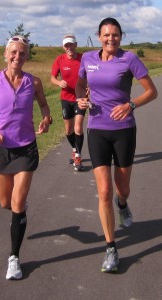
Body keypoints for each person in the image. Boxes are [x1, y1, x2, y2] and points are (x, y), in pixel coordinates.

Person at [76, 17, 158, 272]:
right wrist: (80, 99)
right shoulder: (88, 59)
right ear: (99, 36)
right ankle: (111, 248)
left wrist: (130, 104)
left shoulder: (129, 59)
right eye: (106, 35)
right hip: (97, 129)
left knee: (122, 188)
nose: (111, 39)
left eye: (115, 35)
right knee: (104, 192)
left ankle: (123, 205)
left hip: (123, 131)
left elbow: (151, 91)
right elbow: (80, 83)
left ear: (121, 36)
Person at [0, 35, 52, 280]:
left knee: (17, 205)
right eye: (13, 52)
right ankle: (18, 208)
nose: (17, 57)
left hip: (26, 148)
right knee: (5, 203)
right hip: (1, 149)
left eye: (22, 53)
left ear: (27, 56)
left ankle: (14, 258)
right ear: (5, 54)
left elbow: (43, 105)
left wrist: (46, 118)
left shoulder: (35, 82)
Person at [51, 34, 86, 171]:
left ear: (76, 45)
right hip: (66, 98)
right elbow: (52, 78)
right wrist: (59, 82)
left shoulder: (83, 58)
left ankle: (78, 156)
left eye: (71, 45)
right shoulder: (59, 59)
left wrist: (89, 87)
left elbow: (91, 74)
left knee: (78, 128)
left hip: (80, 97)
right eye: (66, 45)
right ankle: (74, 148)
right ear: (63, 47)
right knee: (69, 129)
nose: (69, 48)